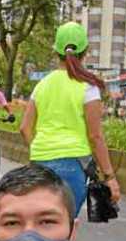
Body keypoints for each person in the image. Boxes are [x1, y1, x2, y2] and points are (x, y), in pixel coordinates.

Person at [20, 21, 120, 217]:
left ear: (56, 51)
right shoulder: (87, 87)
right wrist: (109, 176)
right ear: (85, 51)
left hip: (39, 162)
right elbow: (95, 136)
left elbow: (24, 128)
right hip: (73, 167)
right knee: (62, 228)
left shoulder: (41, 85)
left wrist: (42, 149)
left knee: (41, 224)